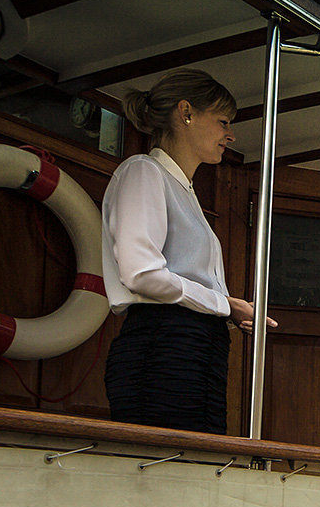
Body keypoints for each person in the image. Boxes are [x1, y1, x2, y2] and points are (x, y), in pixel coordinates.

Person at [102, 69, 272, 434]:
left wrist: (224, 311)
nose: (231, 134)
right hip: (162, 353)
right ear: (186, 113)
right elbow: (141, 273)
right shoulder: (143, 172)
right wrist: (225, 304)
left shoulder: (185, 192)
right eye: (223, 121)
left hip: (197, 352)